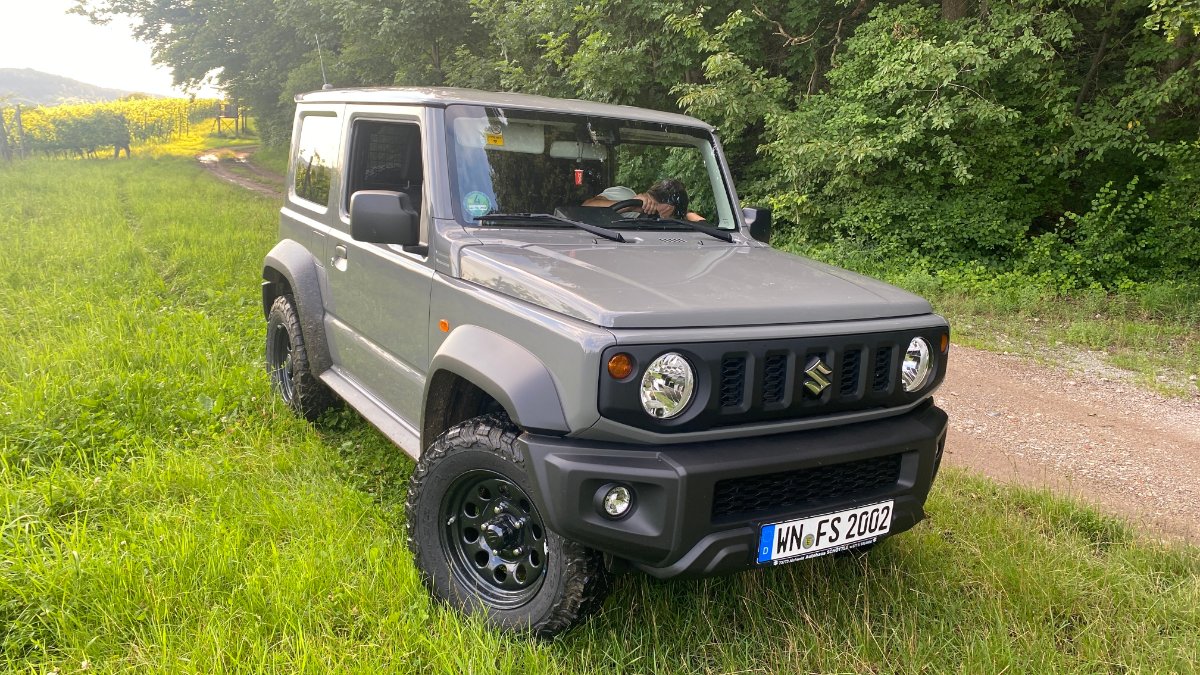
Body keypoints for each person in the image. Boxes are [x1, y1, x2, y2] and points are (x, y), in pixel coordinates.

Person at [583, 178, 705, 221]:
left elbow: (691, 217)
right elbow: (586, 206)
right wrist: (632, 206)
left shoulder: (674, 215)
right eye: (655, 213)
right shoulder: (624, 194)